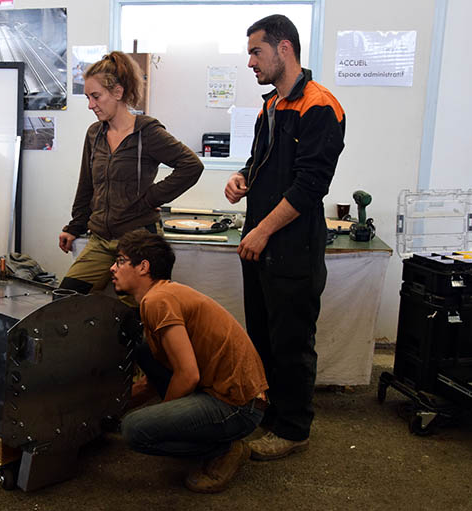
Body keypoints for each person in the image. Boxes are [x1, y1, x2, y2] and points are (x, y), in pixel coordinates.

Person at [224, 14, 346, 460]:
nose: (250, 61)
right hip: (259, 244)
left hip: (292, 248)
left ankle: (294, 429)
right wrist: (240, 177)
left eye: (256, 51)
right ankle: (272, 416)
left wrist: (261, 231)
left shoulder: (320, 106)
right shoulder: (271, 106)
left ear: (284, 49)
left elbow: (310, 185)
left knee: (292, 342)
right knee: (263, 336)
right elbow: (260, 162)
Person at [113, 230, 268, 493]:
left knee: (134, 430)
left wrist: (163, 419)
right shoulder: (160, 296)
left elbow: (187, 375)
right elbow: (155, 378)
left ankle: (225, 449)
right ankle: (211, 436)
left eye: (120, 261)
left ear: (143, 267)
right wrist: (112, 410)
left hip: (238, 406)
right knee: (142, 349)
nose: (112, 268)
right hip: (227, 394)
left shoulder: (157, 300)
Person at [57, 51, 203, 298]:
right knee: (65, 299)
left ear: (118, 92)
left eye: (96, 96)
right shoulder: (95, 134)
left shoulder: (148, 132)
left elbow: (191, 165)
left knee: (137, 313)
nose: (91, 105)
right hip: (100, 240)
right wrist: (75, 226)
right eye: (88, 98)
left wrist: (149, 199)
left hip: (137, 240)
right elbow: (86, 185)